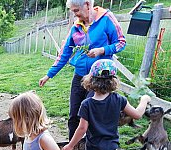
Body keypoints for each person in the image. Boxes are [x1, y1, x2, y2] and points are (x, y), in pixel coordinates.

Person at [39, 0, 126, 140]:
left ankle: (89, 148)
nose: (75, 15)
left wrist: (102, 50)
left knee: (90, 114)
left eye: (76, 11)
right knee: (74, 114)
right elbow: (65, 53)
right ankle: (73, 149)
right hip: (79, 76)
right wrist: (49, 75)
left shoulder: (106, 19)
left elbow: (121, 42)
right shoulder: (76, 27)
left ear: (87, 4)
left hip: (99, 78)